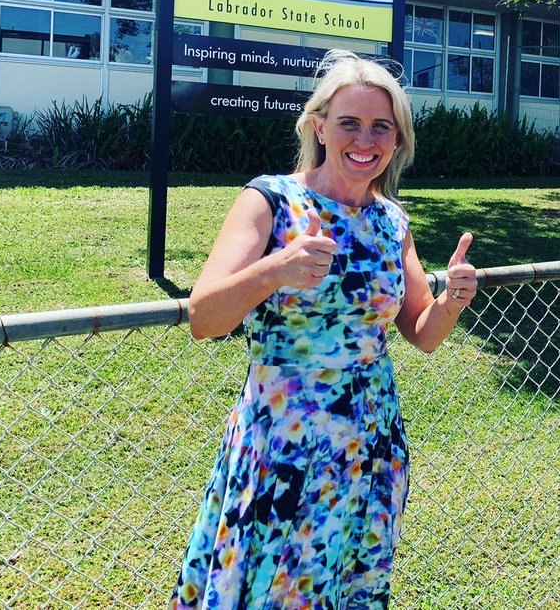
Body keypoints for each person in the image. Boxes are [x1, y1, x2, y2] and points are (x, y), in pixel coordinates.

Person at [172, 50, 476, 609]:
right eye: (350, 124)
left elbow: (422, 332)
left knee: (346, 586)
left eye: (381, 127)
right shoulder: (269, 200)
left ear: (397, 140)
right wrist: (277, 269)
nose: (366, 139)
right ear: (319, 128)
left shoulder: (391, 220)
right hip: (284, 443)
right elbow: (202, 317)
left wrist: (452, 300)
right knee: (272, 588)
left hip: (370, 442)